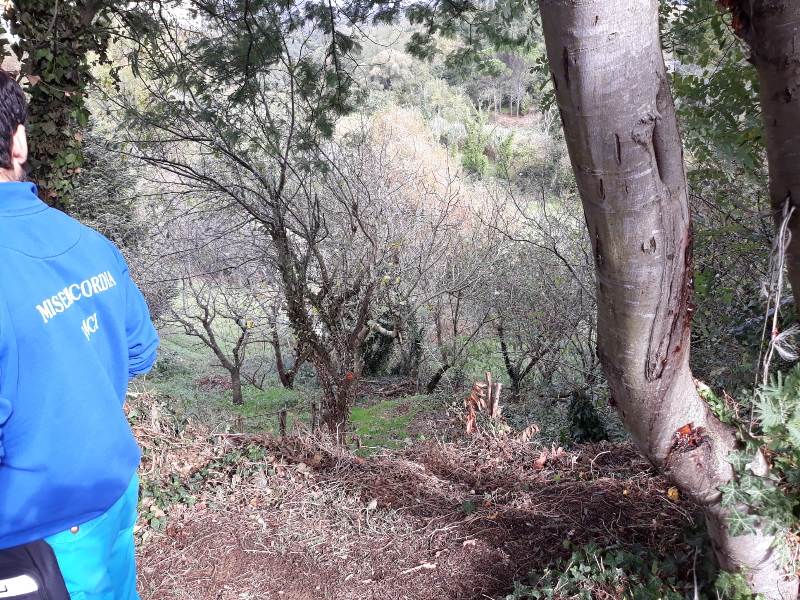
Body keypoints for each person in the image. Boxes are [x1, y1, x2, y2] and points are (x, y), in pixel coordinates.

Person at [0, 71, 159, 598]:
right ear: (19, 141)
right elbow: (140, 351)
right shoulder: (90, 243)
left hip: (35, 532)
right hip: (111, 492)